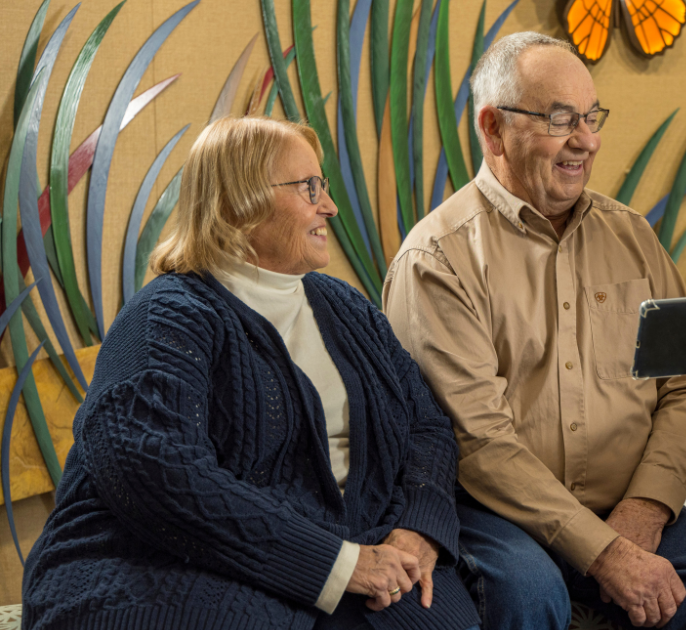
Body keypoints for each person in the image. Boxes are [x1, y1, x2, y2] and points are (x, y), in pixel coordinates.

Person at [22, 117, 479, 630]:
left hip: (356, 550)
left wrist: (417, 529)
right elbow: (153, 470)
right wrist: (337, 563)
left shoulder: (345, 306)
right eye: (309, 188)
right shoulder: (167, 315)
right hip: (165, 559)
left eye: (323, 186)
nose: (327, 205)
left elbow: (427, 428)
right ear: (240, 201)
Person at [383, 31, 686, 630]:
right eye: (560, 119)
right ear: (493, 128)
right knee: (532, 597)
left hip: (629, 503)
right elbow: (477, 441)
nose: (585, 141)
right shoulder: (437, 258)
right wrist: (605, 550)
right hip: (497, 514)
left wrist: (646, 507)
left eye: (591, 116)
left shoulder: (633, 236)